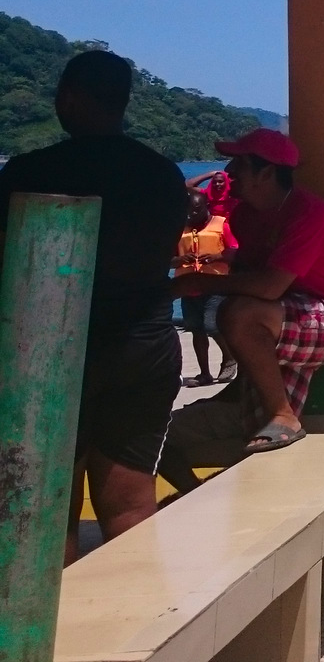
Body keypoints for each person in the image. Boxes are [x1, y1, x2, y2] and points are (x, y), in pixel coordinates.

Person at [0, 50, 188, 561]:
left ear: (70, 97)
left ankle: (51, 634)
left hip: (54, 349)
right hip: (145, 345)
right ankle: (142, 626)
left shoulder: (30, 172)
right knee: (129, 501)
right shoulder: (163, 175)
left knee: (48, 503)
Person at [169, 128, 324, 454]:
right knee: (224, 428)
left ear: (265, 172)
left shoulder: (307, 212)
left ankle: (283, 416)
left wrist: (196, 282)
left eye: (238, 165)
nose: (229, 173)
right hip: (279, 319)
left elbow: (270, 287)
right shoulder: (243, 217)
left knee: (239, 313)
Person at [176, 187, 238, 388]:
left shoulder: (221, 225)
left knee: (212, 325)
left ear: (206, 207)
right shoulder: (180, 229)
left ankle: (229, 358)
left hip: (215, 285)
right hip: (189, 287)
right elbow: (165, 260)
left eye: (196, 209)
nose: (191, 214)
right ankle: (204, 374)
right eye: (188, 210)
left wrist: (216, 257)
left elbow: (235, 252)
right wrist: (179, 260)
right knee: (196, 329)